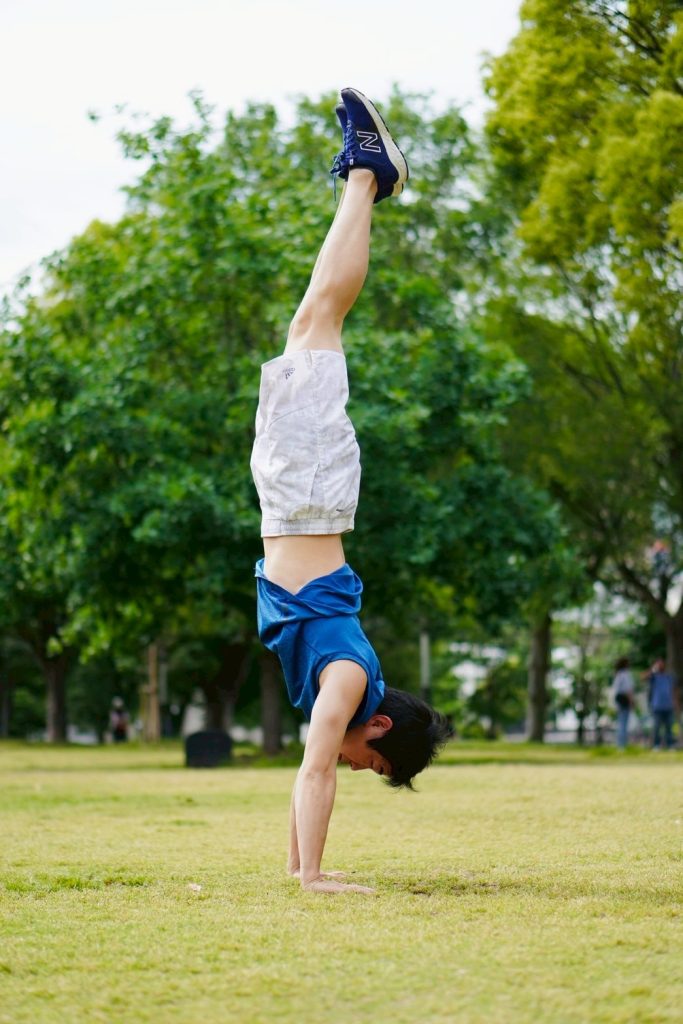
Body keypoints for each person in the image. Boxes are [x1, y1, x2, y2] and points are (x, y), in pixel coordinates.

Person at [250, 88, 451, 895]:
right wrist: (313, 879)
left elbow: (311, 766)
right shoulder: (345, 683)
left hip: (296, 496)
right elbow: (314, 770)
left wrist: (296, 865)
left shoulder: (350, 681)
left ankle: (366, 179)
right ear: (378, 728)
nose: (353, 763)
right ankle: (368, 177)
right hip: (306, 493)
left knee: (311, 323)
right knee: (318, 324)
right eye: (372, 762)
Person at [647, 658, 676, 750]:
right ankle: (656, 745)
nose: (661, 666)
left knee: (669, 727)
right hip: (657, 706)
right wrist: (653, 669)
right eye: (659, 664)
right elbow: (644, 677)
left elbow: (672, 690)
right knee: (657, 727)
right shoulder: (654, 677)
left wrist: (674, 703)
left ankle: (670, 744)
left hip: (668, 705)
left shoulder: (668, 677)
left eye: (662, 664)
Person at [612, 657, 635, 750]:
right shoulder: (626, 675)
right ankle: (622, 745)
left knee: (621, 722)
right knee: (623, 723)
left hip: (619, 700)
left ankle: (620, 744)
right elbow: (628, 689)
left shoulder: (618, 675)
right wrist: (631, 701)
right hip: (624, 700)